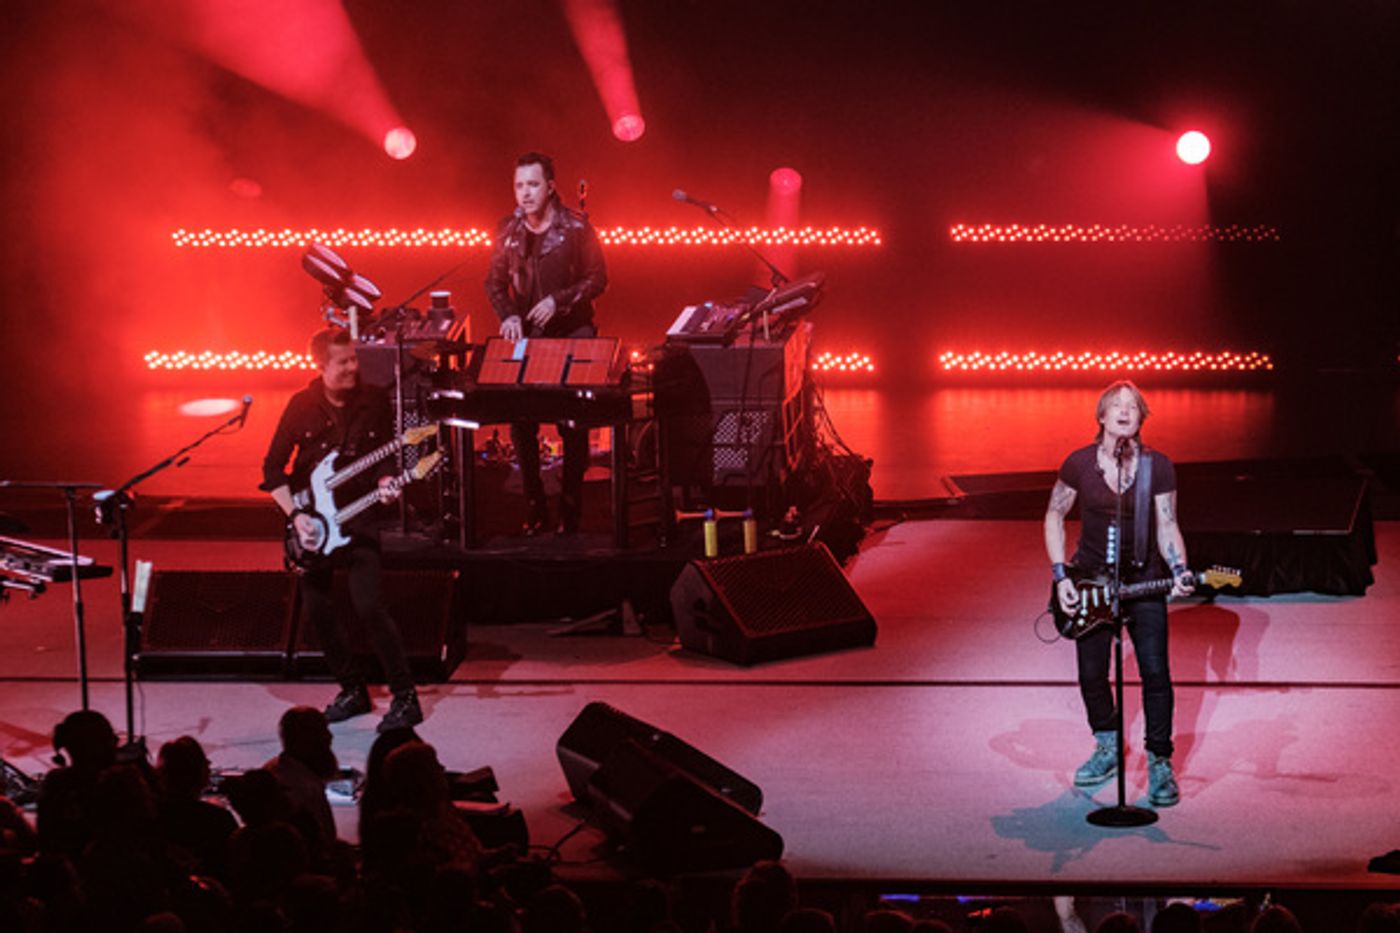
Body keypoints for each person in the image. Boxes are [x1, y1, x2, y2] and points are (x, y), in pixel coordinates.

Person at [262, 328, 422, 732]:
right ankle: (352, 689)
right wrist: (296, 518)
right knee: (318, 612)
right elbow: (272, 469)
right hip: (313, 526)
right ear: (321, 366)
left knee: (369, 605)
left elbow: (387, 453)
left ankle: (406, 698)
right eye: (344, 361)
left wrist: (388, 483)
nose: (354, 367)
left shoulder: (373, 402)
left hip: (359, 518)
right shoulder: (300, 407)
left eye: (354, 359)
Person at [1044, 380, 1194, 807]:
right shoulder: (1078, 464)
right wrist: (1062, 576)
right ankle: (1108, 744)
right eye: (1117, 405)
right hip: (1090, 580)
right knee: (1092, 674)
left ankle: (1160, 761)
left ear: (1140, 418)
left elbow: (1167, 524)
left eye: (1133, 406)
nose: (1125, 411)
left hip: (1144, 579)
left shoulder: (1158, 467)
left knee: (1155, 673)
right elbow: (1054, 515)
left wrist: (1179, 568)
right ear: (1102, 416)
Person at [485, 150, 608, 535]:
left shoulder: (576, 228)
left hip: (572, 331)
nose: (525, 193)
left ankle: (571, 506)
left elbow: (598, 278)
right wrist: (507, 314)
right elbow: (493, 282)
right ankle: (535, 501)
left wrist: (560, 300)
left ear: (550, 187)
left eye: (533, 184)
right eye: (519, 185)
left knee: (573, 422)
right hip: (526, 335)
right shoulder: (508, 230)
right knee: (521, 419)